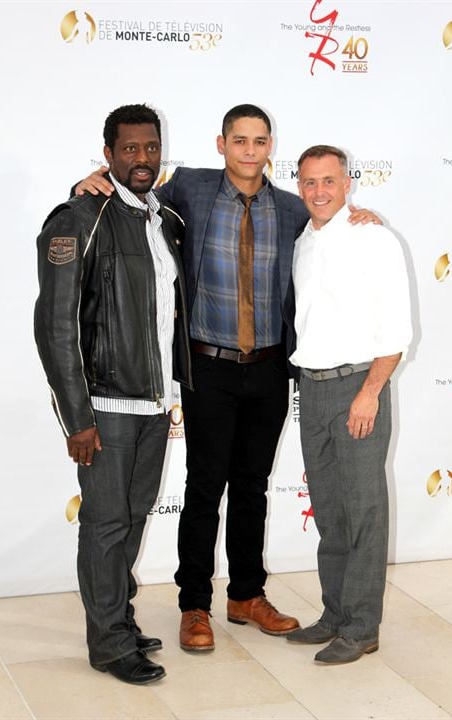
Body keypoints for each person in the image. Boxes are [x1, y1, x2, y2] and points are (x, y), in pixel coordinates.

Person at [76, 105, 379, 653]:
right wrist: (87, 182)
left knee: (252, 488)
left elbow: (329, 224)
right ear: (221, 144)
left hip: (267, 370)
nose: (248, 150)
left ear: (270, 147)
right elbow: (131, 200)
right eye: (238, 140)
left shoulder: (290, 209)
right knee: (203, 487)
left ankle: (246, 595)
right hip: (207, 367)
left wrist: (362, 216)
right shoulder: (188, 189)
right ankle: (194, 604)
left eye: (259, 141)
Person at [34, 104, 192, 684]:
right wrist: (76, 417)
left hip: (155, 404)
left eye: (151, 147)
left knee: (129, 518)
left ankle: (117, 619)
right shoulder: (79, 217)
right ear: (108, 154)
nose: (142, 159)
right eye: (129, 149)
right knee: (104, 522)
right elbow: (56, 325)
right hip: (104, 405)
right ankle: (107, 643)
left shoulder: (163, 218)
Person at [287, 145, 412, 664]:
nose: (319, 191)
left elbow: (397, 328)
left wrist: (369, 392)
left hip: (359, 386)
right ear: (299, 186)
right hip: (311, 389)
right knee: (332, 514)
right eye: (310, 182)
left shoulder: (373, 237)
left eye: (329, 181)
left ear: (348, 183)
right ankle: (335, 614)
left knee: (364, 512)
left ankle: (362, 627)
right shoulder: (301, 242)